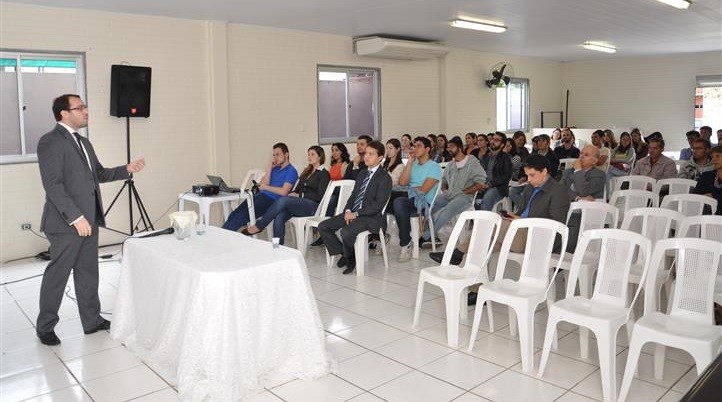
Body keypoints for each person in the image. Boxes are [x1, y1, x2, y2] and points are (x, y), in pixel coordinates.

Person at [36, 94, 146, 345]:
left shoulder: (84, 143)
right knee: (58, 274)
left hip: (90, 219)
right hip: (66, 223)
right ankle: (45, 326)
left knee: (88, 272)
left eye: (85, 106)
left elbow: (99, 174)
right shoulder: (50, 141)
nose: (86, 111)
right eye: (80, 107)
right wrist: (75, 217)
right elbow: (53, 185)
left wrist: (126, 169)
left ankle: (92, 320)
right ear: (64, 113)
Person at [430, 155, 570, 276]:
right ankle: (476, 289)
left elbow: (555, 226)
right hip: (519, 232)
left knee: (490, 226)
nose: (528, 179)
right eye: (527, 175)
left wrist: (523, 221)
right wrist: (513, 216)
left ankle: (457, 253)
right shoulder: (530, 188)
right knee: (481, 244)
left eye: (532, 175)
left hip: (539, 239)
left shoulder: (558, 191)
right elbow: (522, 212)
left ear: (544, 171)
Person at [318, 141, 392, 274]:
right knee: (323, 226)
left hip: (371, 217)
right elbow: (353, 196)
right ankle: (347, 254)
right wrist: (347, 210)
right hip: (353, 212)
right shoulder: (362, 173)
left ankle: (348, 257)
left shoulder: (385, 178)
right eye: (366, 154)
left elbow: (378, 205)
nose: (366, 157)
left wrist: (356, 214)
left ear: (380, 158)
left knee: (346, 232)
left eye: (371, 154)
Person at [242, 146, 330, 244]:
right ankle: (277, 248)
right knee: (279, 217)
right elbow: (298, 188)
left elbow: (320, 196)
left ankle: (259, 225)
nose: (309, 157)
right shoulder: (307, 172)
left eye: (312, 154)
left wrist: (300, 195)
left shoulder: (324, 173)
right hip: (299, 205)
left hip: (312, 207)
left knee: (284, 200)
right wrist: (293, 193)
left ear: (320, 156)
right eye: (308, 154)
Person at [419, 136, 486, 247]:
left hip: (465, 197)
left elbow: (480, 182)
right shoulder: (450, 165)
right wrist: (445, 191)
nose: (449, 149)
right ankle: (431, 235)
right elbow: (444, 181)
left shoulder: (472, 161)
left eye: (452, 146)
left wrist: (467, 191)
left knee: (447, 210)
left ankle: (426, 237)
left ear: (459, 148)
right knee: (430, 203)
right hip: (450, 195)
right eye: (448, 147)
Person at [222, 143, 298, 231]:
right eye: (274, 155)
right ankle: (221, 235)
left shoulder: (291, 171)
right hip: (260, 196)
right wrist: (270, 167)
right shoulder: (275, 169)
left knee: (240, 217)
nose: (275, 157)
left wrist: (265, 187)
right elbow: (263, 184)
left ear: (286, 154)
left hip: (271, 201)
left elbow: (283, 192)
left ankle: (219, 238)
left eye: (278, 154)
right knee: (234, 214)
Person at [392, 136, 442, 262]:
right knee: (385, 198)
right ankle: (378, 238)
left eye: (419, 146)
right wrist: (409, 162)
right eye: (414, 146)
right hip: (409, 197)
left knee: (398, 202)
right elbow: (402, 182)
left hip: (423, 201)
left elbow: (423, 189)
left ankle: (406, 243)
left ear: (427, 149)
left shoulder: (434, 167)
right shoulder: (412, 164)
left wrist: (411, 188)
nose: (415, 148)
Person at [477, 132, 513, 211]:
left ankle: (483, 221)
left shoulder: (506, 157)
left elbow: (506, 177)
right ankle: (472, 218)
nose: (493, 141)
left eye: (496, 140)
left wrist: (490, 184)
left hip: (498, 187)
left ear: (502, 144)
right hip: (483, 184)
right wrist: (479, 183)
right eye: (492, 139)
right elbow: (479, 172)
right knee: (467, 194)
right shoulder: (486, 156)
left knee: (487, 199)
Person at [692, 145, 722, 215]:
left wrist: (712, 196)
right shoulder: (706, 175)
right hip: (706, 217)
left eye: (718, 156)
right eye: (712, 157)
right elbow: (695, 196)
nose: (714, 160)